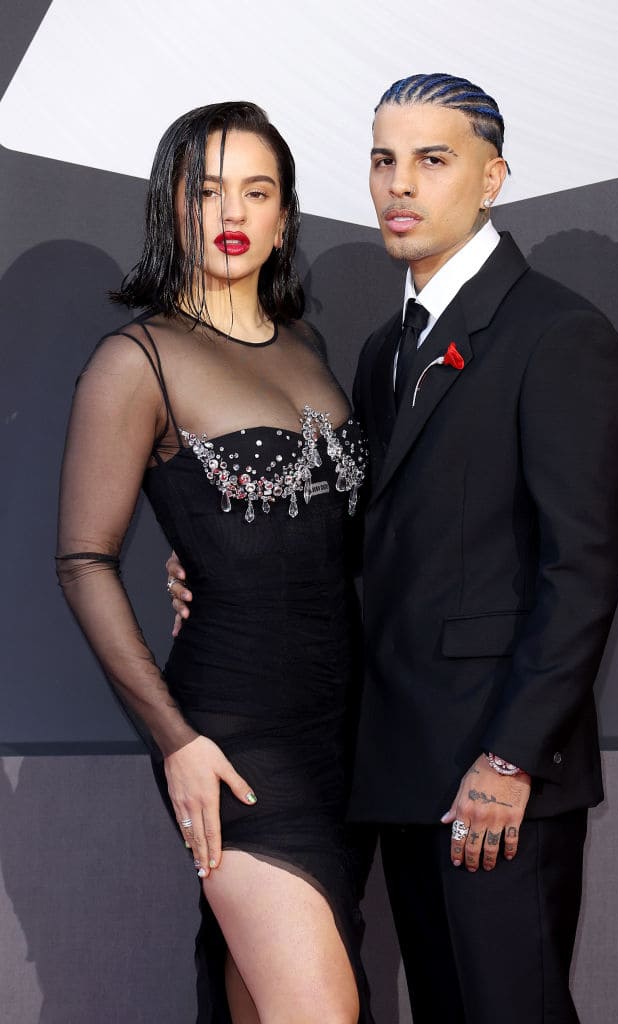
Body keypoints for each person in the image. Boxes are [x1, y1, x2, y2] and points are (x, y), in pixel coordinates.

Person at [168, 75, 618, 1023]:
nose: (399, 185)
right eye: (384, 160)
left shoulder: (560, 336)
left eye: (432, 159)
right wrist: (223, 566)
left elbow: (579, 573)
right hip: (393, 763)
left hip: (497, 775)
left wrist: (509, 761)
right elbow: (365, 536)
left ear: (492, 177)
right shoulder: (384, 348)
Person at [56, 101, 373, 1024]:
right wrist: (177, 743)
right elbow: (82, 561)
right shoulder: (137, 360)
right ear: (172, 208)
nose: (231, 210)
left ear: (284, 216)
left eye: (256, 189)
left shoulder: (307, 348)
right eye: (206, 189)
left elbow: (322, 536)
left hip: (345, 730)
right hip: (231, 739)